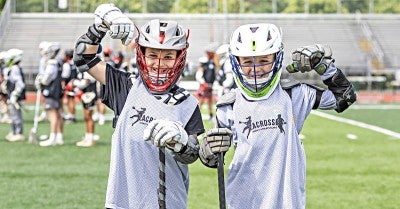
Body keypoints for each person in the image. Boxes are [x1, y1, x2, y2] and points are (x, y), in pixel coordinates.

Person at [198, 23, 357, 209]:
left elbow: (344, 97)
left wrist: (323, 66)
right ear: (236, 62)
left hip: (287, 202)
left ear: (277, 58)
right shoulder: (228, 105)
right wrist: (207, 152)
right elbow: (215, 158)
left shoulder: (295, 94)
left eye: (264, 60)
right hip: (240, 201)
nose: (255, 69)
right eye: (248, 61)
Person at [73, 4, 204, 208]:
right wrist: (102, 25)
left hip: (169, 203)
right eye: (153, 54)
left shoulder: (187, 103)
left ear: (179, 58)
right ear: (141, 55)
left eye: (168, 56)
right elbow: (83, 57)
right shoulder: (126, 86)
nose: (159, 63)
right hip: (123, 202)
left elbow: (193, 155)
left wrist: (182, 142)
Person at [35, 42, 64, 147]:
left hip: (51, 91)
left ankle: (53, 138)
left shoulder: (51, 63)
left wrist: (40, 81)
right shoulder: (58, 62)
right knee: (58, 113)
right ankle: (58, 136)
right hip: (57, 91)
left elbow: (47, 79)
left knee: (53, 114)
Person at [3, 48, 26, 142]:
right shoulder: (11, 68)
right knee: (13, 115)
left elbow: (20, 84)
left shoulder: (15, 69)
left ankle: (18, 133)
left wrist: (15, 94)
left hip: (14, 96)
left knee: (16, 115)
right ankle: (13, 131)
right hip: (10, 94)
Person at [73, 71, 98, 147]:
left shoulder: (89, 70)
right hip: (85, 94)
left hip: (90, 94)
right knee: (86, 117)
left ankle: (91, 138)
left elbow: (85, 82)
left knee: (89, 116)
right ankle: (87, 137)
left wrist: (75, 83)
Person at [195, 44, 218, 121]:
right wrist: (203, 83)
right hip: (204, 85)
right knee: (201, 100)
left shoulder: (213, 62)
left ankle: (211, 115)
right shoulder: (204, 62)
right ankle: (196, 116)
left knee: (210, 101)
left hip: (210, 85)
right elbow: (199, 74)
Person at [62, 49, 78, 123]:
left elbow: (65, 76)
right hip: (75, 83)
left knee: (70, 100)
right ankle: (72, 115)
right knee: (72, 100)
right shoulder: (75, 63)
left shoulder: (66, 64)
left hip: (69, 84)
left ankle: (71, 116)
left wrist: (63, 85)